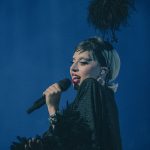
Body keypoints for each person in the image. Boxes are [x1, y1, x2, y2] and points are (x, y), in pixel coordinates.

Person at [11, 36, 122, 150]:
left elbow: (79, 144)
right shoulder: (105, 98)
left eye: (83, 62)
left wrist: (53, 108)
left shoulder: (91, 85)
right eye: (72, 62)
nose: (73, 68)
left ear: (103, 72)